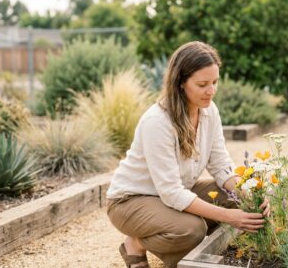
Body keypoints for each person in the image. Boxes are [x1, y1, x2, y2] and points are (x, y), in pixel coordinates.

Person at [106, 41, 269, 268]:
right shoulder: (158, 122)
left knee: (236, 201)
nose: (211, 91)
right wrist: (228, 217)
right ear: (181, 83)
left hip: (172, 193)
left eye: (214, 82)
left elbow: (222, 166)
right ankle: (138, 243)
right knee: (192, 230)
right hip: (131, 200)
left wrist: (249, 194)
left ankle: (152, 242)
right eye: (202, 84)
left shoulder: (209, 111)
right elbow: (171, 192)